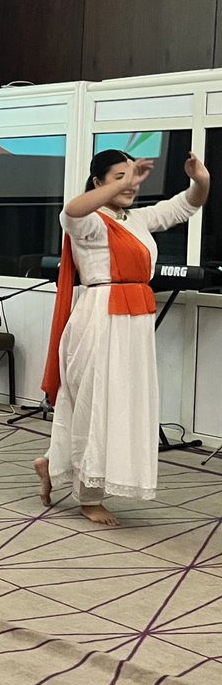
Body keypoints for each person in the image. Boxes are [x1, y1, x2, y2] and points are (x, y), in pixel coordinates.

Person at [35, 148, 210, 525]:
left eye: (134, 176)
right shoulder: (91, 222)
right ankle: (88, 497)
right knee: (95, 405)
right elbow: (71, 211)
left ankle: (52, 466)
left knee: (121, 405)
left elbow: (186, 205)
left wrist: (201, 180)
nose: (131, 184)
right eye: (119, 178)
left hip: (133, 320)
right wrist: (124, 181)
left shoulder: (137, 219)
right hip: (99, 316)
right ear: (98, 182)